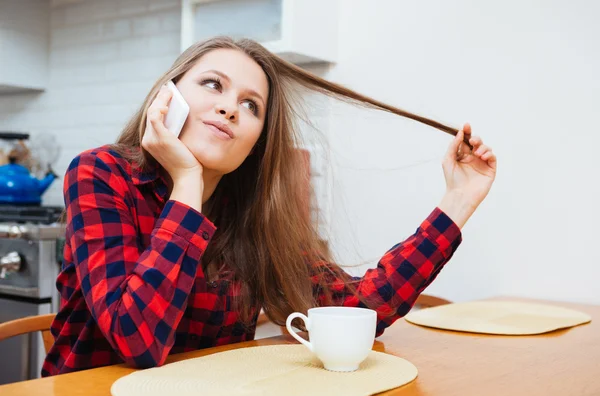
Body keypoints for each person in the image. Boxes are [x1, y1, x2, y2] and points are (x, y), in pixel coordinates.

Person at [42, 37, 496, 376]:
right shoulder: (100, 174)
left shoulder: (253, 215)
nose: (229, 109)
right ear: (168, 96)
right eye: (211, 85)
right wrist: (186, 181)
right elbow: (137, 340)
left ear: (257, 142)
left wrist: (458, 200)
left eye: (250, 105)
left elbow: (360, 309)